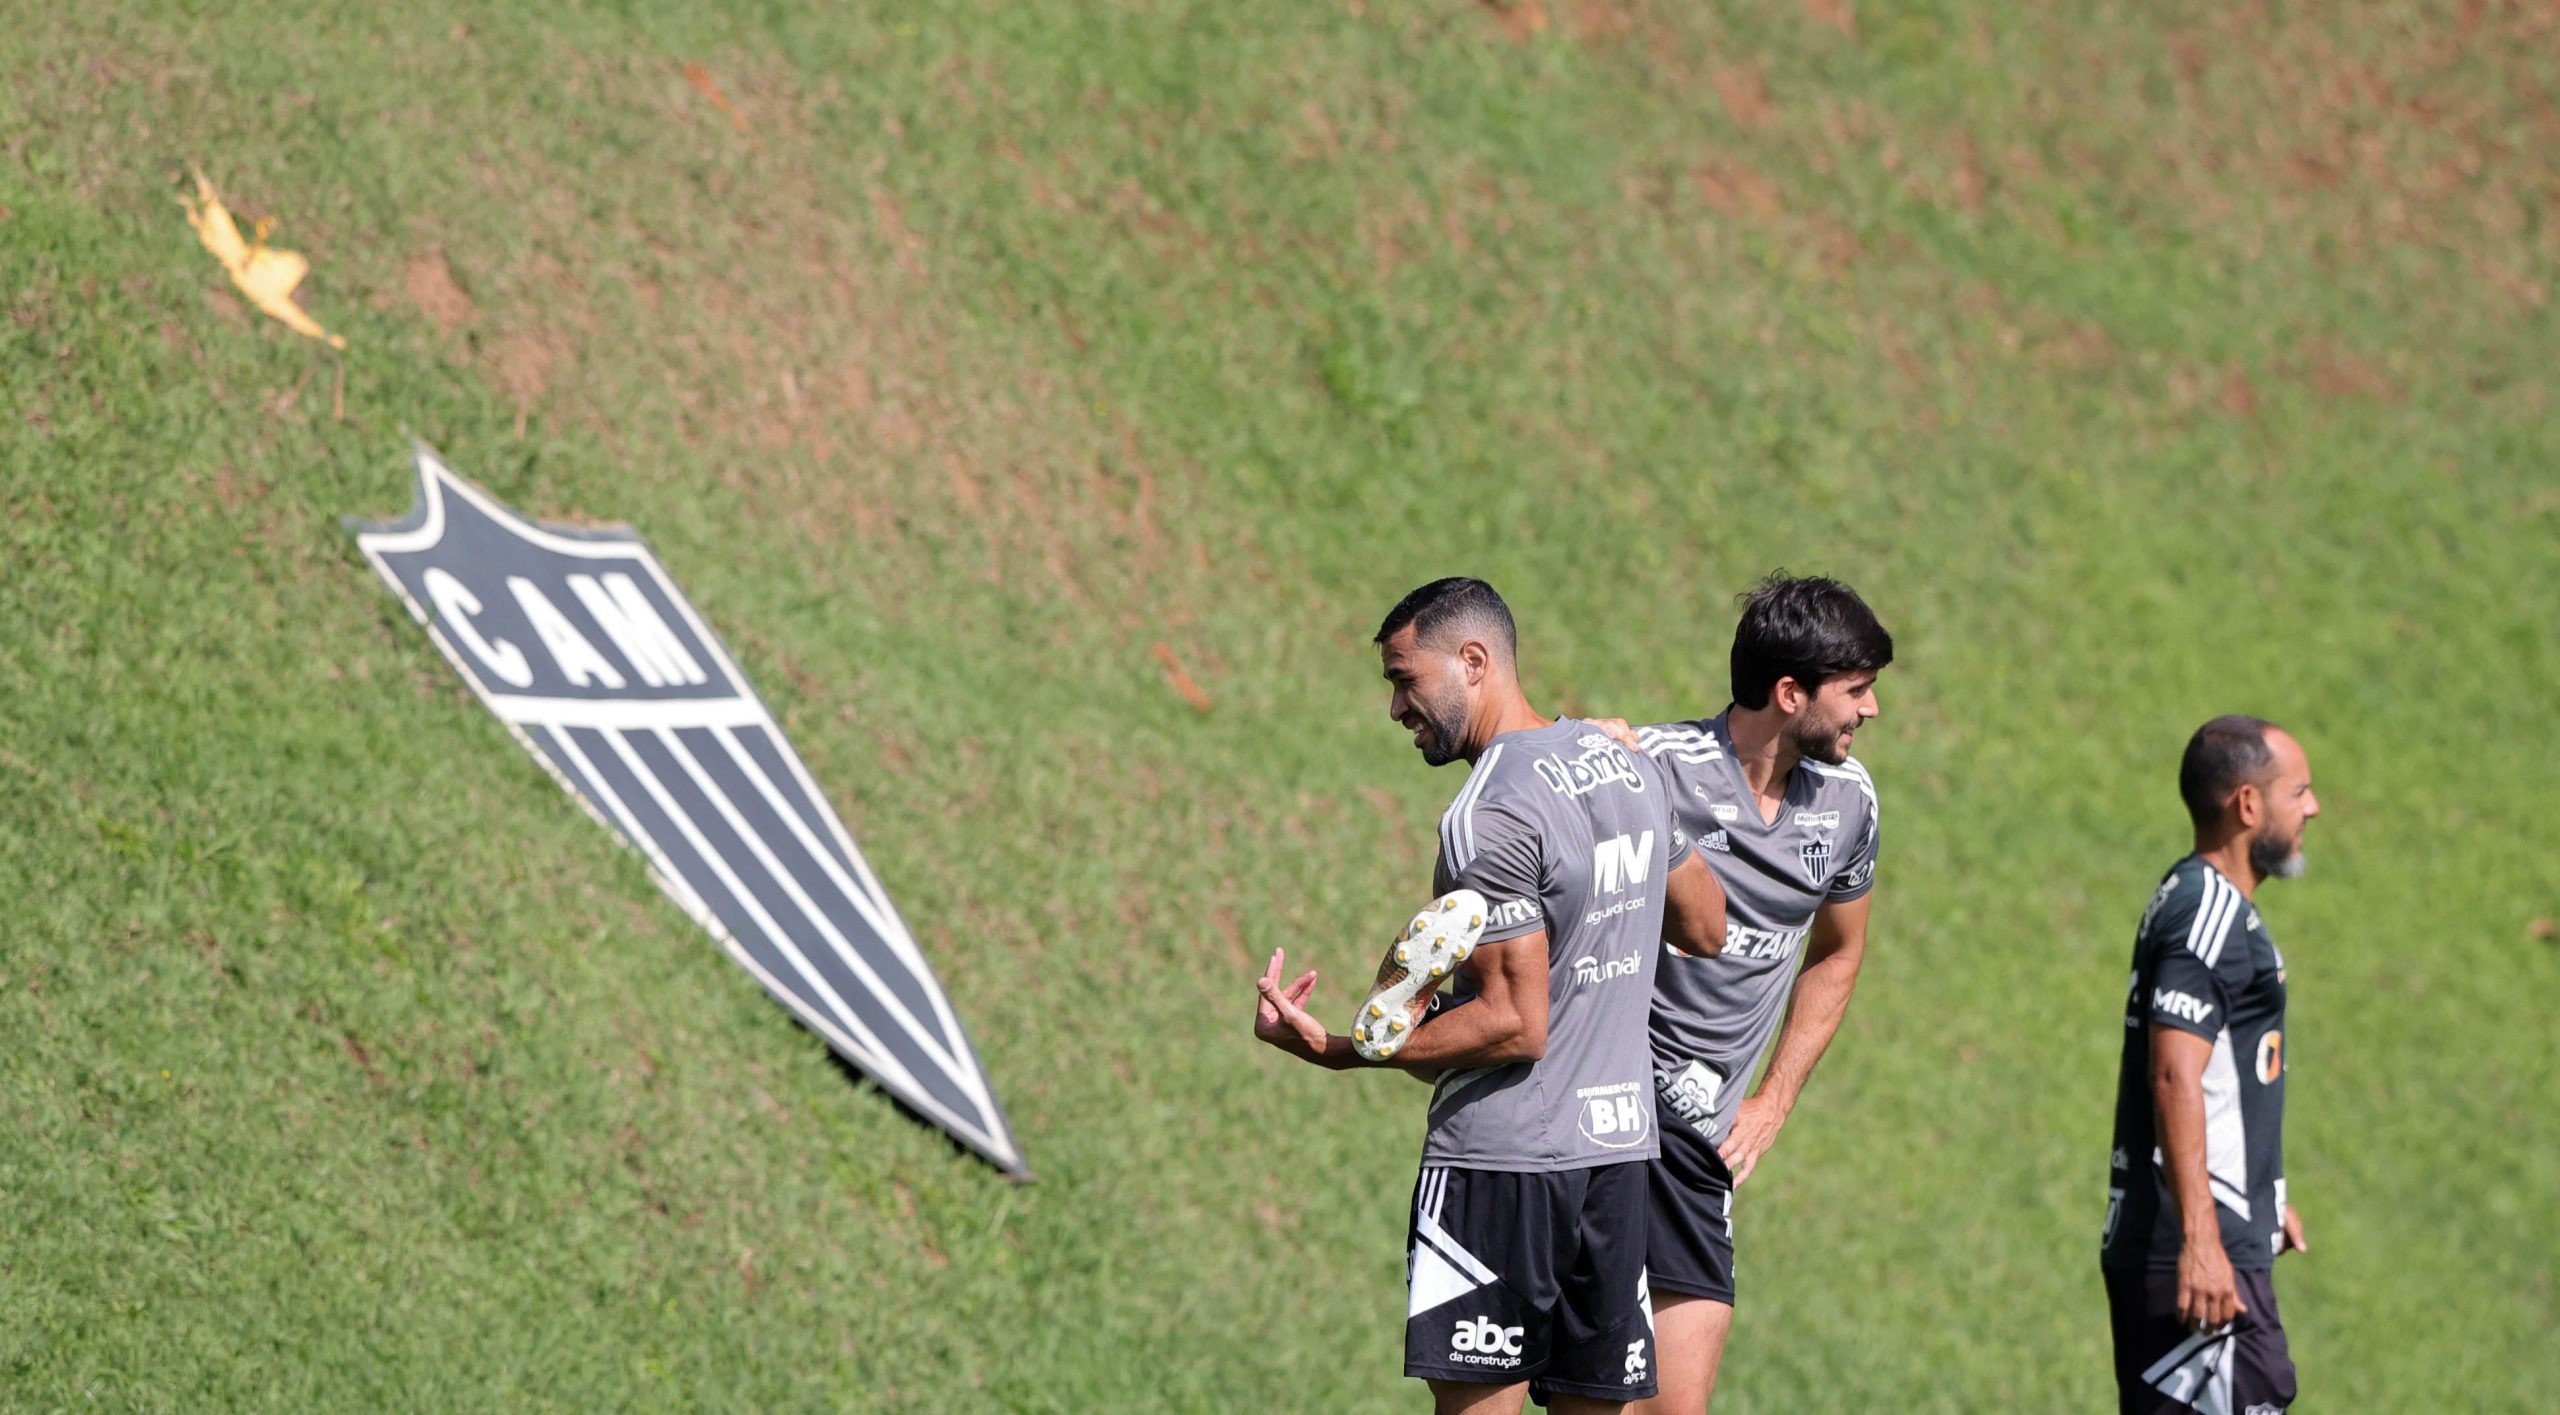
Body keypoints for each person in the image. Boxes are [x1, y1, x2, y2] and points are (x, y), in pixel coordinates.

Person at [1251, 577, 1727, 1414]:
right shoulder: (1625, 763)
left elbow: (1515, 1022)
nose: (1397, 707)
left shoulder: (1490, 810)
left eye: (1405, 679)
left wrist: (1346, 1046)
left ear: (1473, 661)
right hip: (1616, 1158)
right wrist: (1647, 808)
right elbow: (1706, 927)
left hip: (1501, 1164)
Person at [1581, 573, 1891, 1414]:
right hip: (1609, 1113)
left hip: (1702, 1144)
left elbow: (1838, 952)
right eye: (1856, 691)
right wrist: (1588, 743)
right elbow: (1550, 778)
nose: (1870, 710)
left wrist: (1775, 1099)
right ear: (1791, 693)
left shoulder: (1850, 805)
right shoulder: (1662, 767)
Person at [2101, 716, 2318, 1413]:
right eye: (2300, 791)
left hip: (2220, 1227)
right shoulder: (2207, 914)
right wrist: (2203, 1235)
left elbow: (2221, 1073)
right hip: (2193, 1244)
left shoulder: (2203, 903)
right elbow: (2173, 1073)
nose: (2311, 807)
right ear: (2248, 804)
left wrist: (2263, 1199)